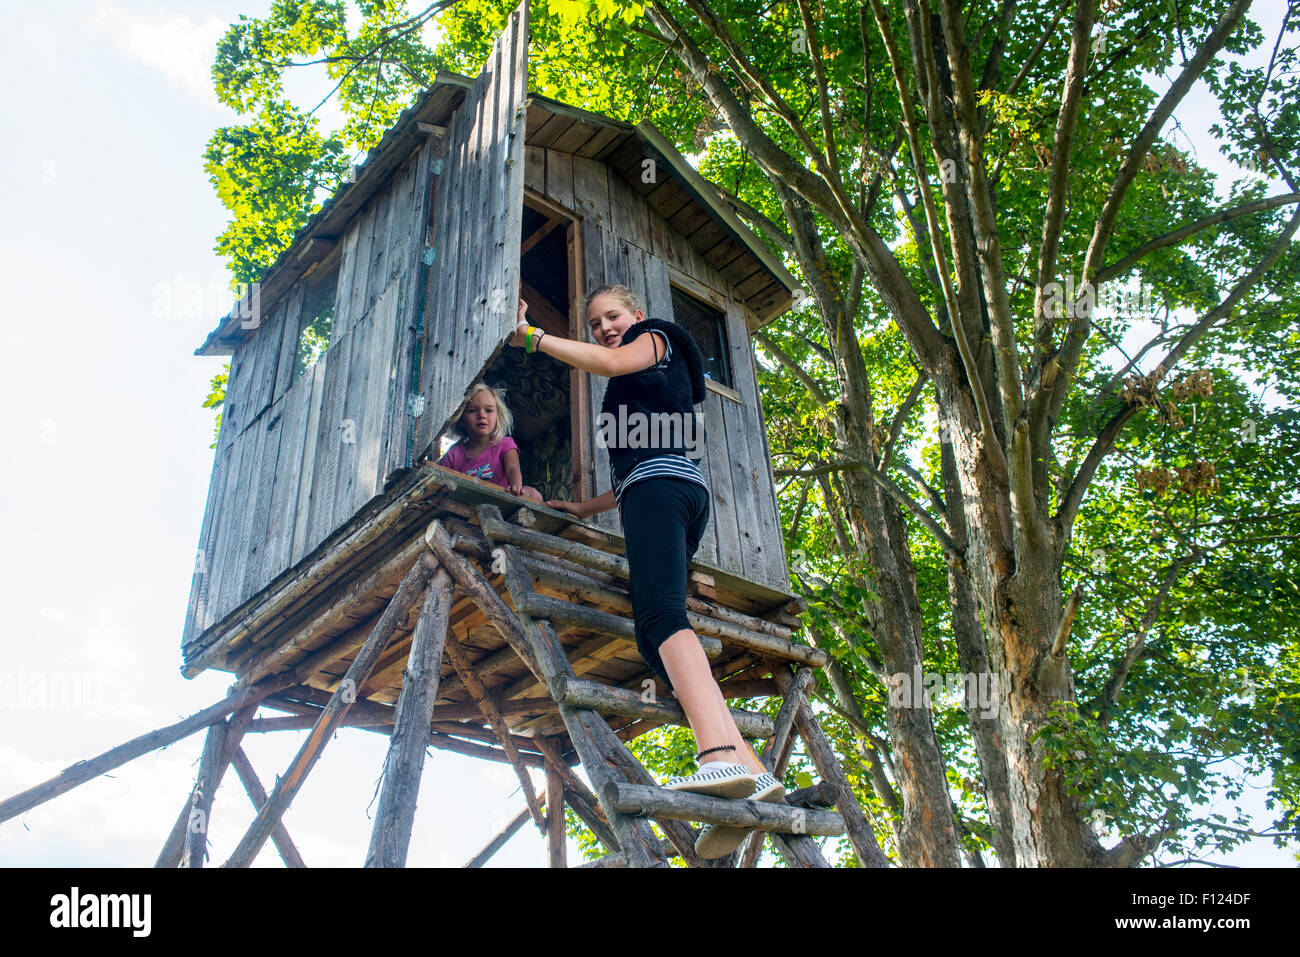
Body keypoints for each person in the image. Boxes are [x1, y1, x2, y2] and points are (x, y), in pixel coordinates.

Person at [512, 285, 784, 858]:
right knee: (655, 627)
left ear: (635, 315)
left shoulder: (653, 338)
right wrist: (582, 509)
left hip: (663, 491)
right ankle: (753, 773)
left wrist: (534, 337)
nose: (604, 328)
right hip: (666, 488)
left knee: (661, 617)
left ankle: (716, 757)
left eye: (611, 316)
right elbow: (639, 462)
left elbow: (611, 363)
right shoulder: (642, 391)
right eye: (594, 323)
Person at [434, 382, 543, 503]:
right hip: (467, 503)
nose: (482, 415)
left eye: (489, 410)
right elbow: (437, 476)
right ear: (461, 420)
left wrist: (516, 487)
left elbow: (512, 468)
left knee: (531, 493)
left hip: (500, 500)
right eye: (472, 410)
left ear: (497, 417)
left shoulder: (504, 444)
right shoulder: (455, 454)